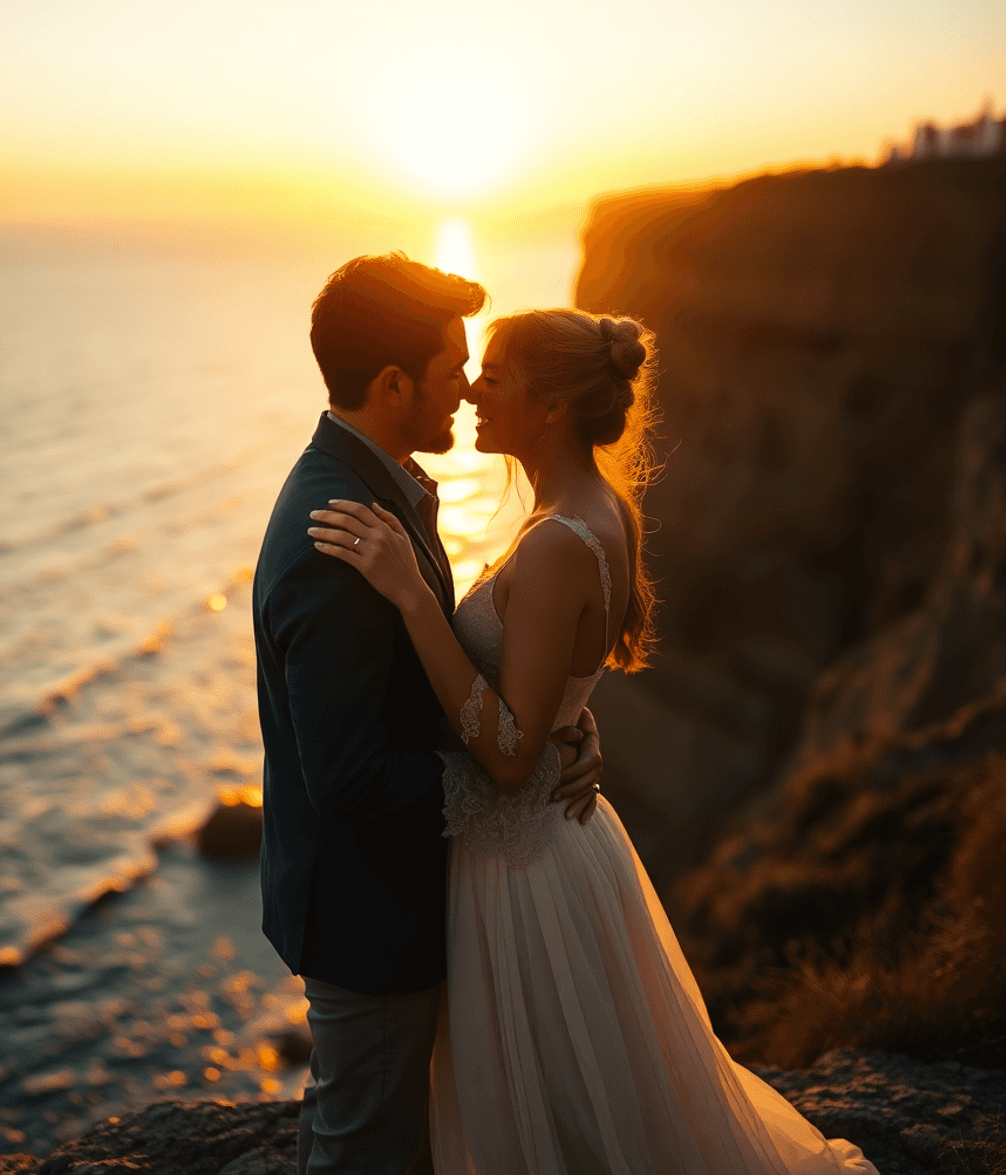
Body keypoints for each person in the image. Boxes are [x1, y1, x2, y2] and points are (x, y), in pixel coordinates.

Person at [310, 307, 880, 1173]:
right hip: (550, 849)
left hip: (522, 878)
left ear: (550, 409)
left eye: (494, 377)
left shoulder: (555, 545)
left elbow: (504, 756)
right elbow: (555, 681)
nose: (471, 390)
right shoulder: (593, 507)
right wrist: (574, 723)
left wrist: (416, 604)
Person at [252, 255, 605, 1175]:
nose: (467, 385)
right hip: (370, 921)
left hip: (407, 901)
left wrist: (549, 722)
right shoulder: (336, 536)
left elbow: (424, 689)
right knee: (363, 1151)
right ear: (394, 382)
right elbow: (350, 776)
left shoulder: (385, 490)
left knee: (386, 1134)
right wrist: (510, 773)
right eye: (453, 369)